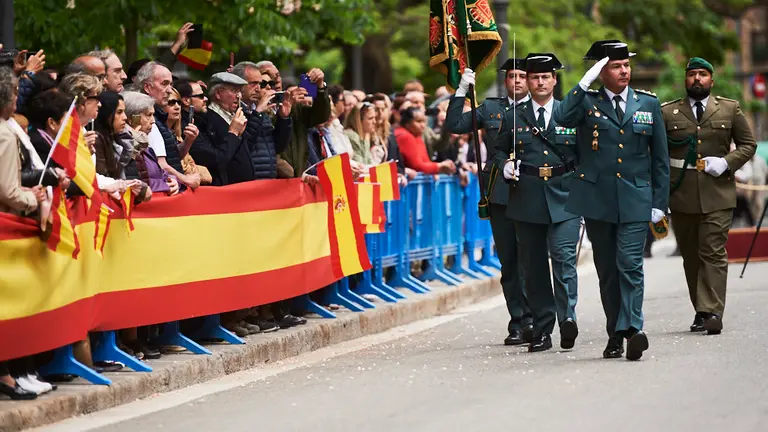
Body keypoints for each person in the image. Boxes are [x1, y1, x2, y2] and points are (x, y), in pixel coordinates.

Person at [553, 40, 669, 361]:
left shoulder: (647, 104)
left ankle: (633, 329)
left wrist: (660, 202)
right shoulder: (586, 102)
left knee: (630, 264)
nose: (624, 71)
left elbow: (659, 158)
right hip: (596, 199)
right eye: (616, 66)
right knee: (607, 270)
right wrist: (582, 83)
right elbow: (560, 118)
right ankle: (614, 333)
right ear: (601, 71)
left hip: (635, 197)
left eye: (626, 65)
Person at [661, 57, 757, 335]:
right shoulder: (668, 112)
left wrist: (727, 162)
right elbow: (658, 153)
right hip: (681, 194)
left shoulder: (729, 108)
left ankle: (713, 311)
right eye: (692, 74)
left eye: (703, 74)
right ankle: (701, 310)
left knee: (712, 252)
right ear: (685, 80)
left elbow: (748, 144)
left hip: (718, 193)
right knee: (691, 256)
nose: (697, 79)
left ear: (711, 80)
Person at [491, 53, 580, 352]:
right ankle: (542, 328)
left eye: (546, 76)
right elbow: (498, 151)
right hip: (526, 196)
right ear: (527, 81)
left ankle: (568, 318)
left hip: (565, 196)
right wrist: (504, 166)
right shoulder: (514, 115)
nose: (540, 82)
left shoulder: (570, 112)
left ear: (554, 80)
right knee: (534, 267)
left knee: (564, 257)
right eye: (534, 77)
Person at [445, 57, 533, 346]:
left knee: (531, 259)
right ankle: (518, 321)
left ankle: (538, 317)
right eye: (512, 76)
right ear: (505, 80)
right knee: (509, 260)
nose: (517, 80)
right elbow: (455, 124)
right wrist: (461, 91)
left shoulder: (541, 109)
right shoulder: (492, 108)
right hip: (501, 192)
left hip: (535, 191)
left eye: (523, 75)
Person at [395, 107, 456, 175]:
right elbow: (417, 166)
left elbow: (426, 162)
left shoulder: (416, 136)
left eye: (424, 121)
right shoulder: (405, 136)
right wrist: (440, 166)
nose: (423, 125)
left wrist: (441, 166)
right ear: (407, 123)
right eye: (418, 121)